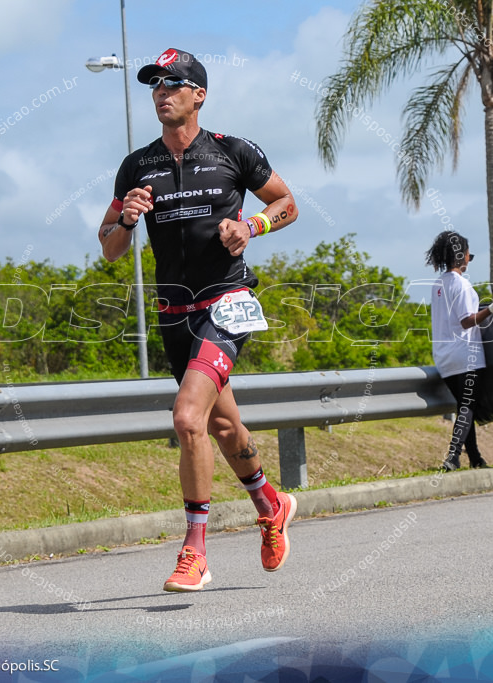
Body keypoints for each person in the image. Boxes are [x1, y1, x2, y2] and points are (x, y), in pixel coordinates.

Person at [98, 48, 298, 592]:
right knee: (223, 425)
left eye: (172, 84)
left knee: (188, 417)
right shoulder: (137, 166)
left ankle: (195, 551)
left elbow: (286, 203)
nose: (161, 94)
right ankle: (271, 504)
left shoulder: (233, 151)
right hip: (174, 314)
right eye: (155, 87)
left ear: (198, 95)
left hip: (226, 303)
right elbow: (109, 247)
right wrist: (129, 220)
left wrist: (252, 226)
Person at [425, 231, 493, 471]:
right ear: (462, 256)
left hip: (444, 357)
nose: (471, 257)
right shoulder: (460, 284)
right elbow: (466, 321)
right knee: (468, 407)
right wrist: (491, 309)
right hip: (466, 355)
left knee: (464, 405)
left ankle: (475, 458)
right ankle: (453, 456)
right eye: (469, 253)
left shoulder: (438, 284)